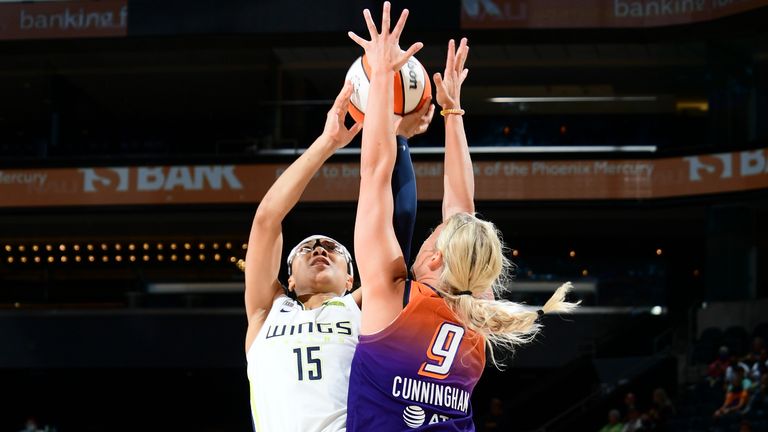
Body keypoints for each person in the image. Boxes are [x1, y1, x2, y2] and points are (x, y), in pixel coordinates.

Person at [346, 3, 579, 430]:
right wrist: (450, 113)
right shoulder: (473, 315)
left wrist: (382, 77)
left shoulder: (411, 300)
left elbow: (380, 171)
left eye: (431, 237)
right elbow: (452, 215)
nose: (425, 241)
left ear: (437, 260)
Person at [244, 79, 433, 432]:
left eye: (333, 248)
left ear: (350, 279)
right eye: (306, 249)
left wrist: (399, 140)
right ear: (289, 278)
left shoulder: (360, 308)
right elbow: (267, 218)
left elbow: (398, 224)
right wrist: (328, 141)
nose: (319, 249)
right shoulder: (264, 312)